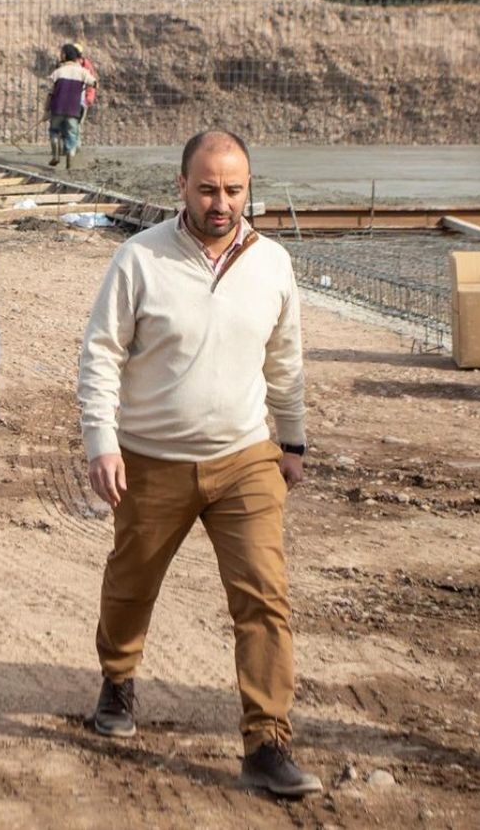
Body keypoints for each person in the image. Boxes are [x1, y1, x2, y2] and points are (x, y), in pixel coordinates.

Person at [76, 129, 323, 798]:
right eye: (208, 187)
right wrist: (102, 440)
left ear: (250, 188)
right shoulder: (139, 259)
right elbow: (101, 352)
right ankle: (119, 679)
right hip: (152, 458)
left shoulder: (271, 263)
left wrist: (292, 442)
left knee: (264, 598)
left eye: (234, 189)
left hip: (245, 458)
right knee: (132, 583)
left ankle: (267, 739)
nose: (221, 202)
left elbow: (286, 356)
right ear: (181, 186)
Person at [45, 43, 95, 169]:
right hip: (73, 110)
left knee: (54, 130)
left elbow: (50, 93)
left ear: (65, 55)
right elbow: (94, 83)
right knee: (72, 134)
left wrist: (46, 110)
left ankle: (55, 151)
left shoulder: (58, 72)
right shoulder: (83, 71)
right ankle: (70, 155)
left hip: (57, 109)